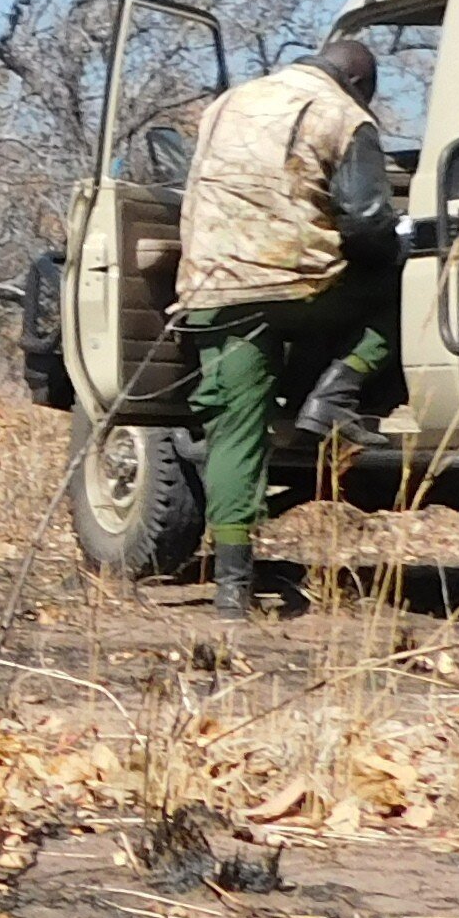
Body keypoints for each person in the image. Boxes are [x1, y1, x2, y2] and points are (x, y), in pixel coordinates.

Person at [175, 33, 398, 619]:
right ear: (359, 84)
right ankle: (336, 393)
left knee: (235, 433)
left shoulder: (227, 102)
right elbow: (369, 222)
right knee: (406, 287)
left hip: (214, 292)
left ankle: (231, 593)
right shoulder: (343, 116)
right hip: (300, 290)